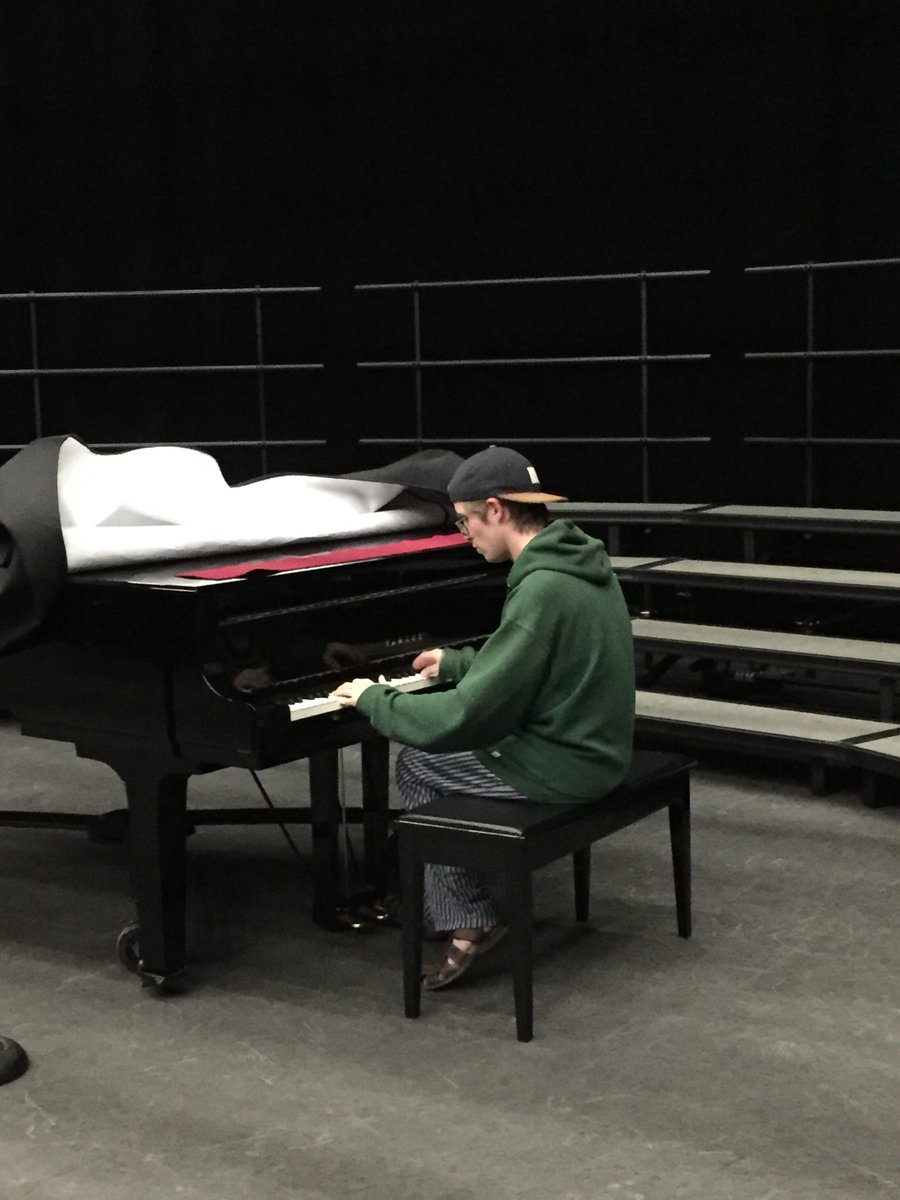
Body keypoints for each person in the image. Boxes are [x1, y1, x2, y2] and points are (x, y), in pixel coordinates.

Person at [330, 445, 635, 989]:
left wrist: (375, 699)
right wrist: (456, 662)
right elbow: (532, 664)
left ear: (496, 509)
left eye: (466, 520)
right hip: (596, 747)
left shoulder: (541, 588)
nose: (464, 535)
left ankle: (468, 917)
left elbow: (466, 716)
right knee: (433, 758)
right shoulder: (579, 564)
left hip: (567, 765)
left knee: (419, 766)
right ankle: (457, 896)